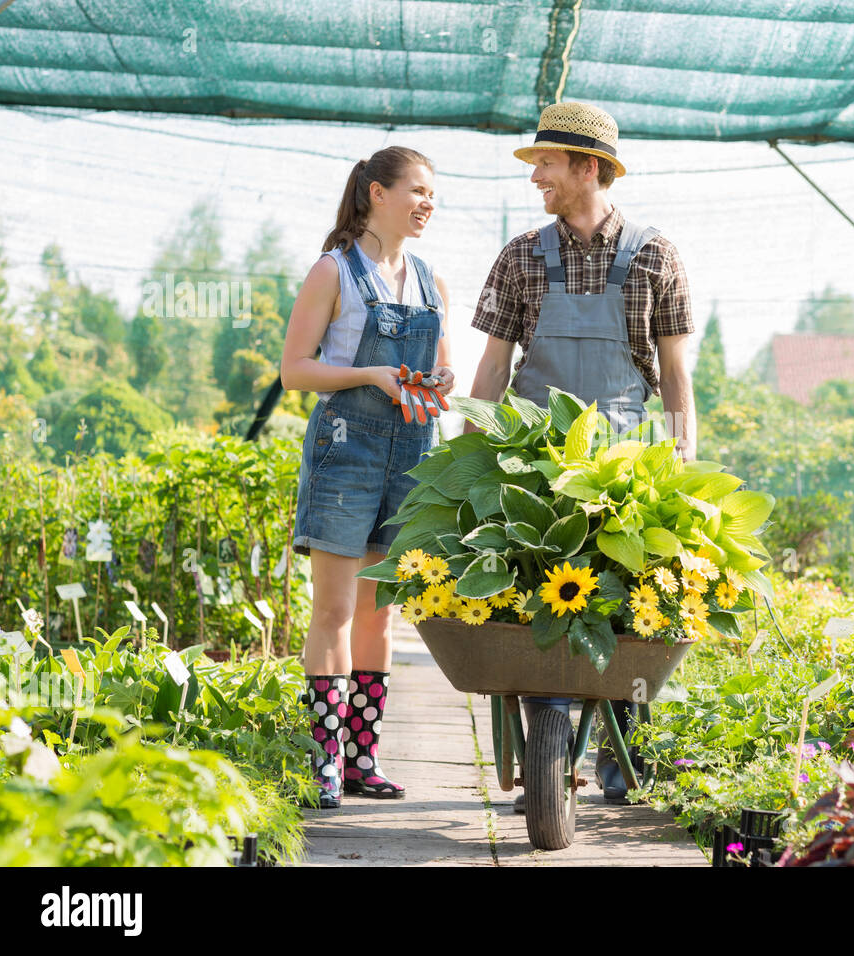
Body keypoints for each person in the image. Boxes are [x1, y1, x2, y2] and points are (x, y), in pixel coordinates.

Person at [467, 102, 696, 806]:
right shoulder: (520, 257)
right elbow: (493, 369)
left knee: (629, 606)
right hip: (532, 464)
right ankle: (548, 743)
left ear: (586, 167)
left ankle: (623, 759)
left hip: (625, 466)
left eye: (546, 163)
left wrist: (682, 463)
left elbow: (677, 373)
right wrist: (469, 461)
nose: (536, 175)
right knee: (538, 590)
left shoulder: (655, 255)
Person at [281, 146, 456, 809]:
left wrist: (438, 383)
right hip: (347, 449)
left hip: (410, 452)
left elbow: (444, 371)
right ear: (377, 193)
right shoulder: (334, 271)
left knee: (378, 616)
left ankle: (362, 759)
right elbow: (295, 370)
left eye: (433, 194)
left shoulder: (431, 279)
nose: (427, 203)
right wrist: (368, 374)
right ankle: (322, 761)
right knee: (332, 608)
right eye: (417, 190)